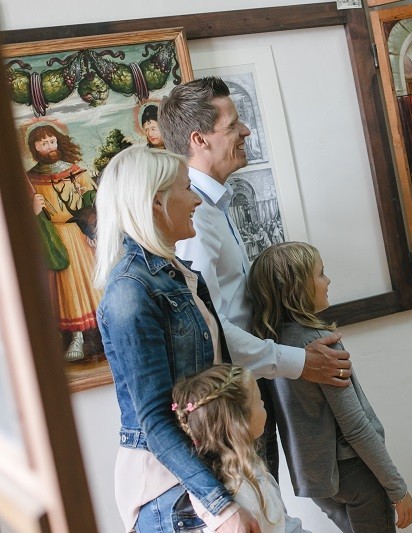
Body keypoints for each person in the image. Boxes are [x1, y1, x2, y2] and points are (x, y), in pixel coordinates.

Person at [159, 77, 352, 482]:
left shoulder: (216, 205)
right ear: (200, 139)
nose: (246, 131)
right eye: (233, 126)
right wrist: (300, 362)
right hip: (229, 405)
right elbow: (210, 325)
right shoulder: (194, 220)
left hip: (248, 388)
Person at [93, 146, 259, 532]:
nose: (197, 199)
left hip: (201, 477)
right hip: (173, 493)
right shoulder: (131, 291)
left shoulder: (175, 274)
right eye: (187, 189)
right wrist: (218, 504)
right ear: (156, 203)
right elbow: (154, 417)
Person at [248, 241, 412, 532]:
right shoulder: (321, 348)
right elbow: (355, 425)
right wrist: (397, 489)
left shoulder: (269, 348)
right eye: (321, 274)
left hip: (318, 484)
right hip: (354, 474)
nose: (328, 281)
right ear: (297, 288)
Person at [172, 364, 309, 533]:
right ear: (240, 424)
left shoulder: (250, 469)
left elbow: (285, 524)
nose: (263, 403)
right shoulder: (238, 492)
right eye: (258, 401)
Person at [27, 123, 102, 362]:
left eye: (52, 141)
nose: (49, 146)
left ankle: (102, 333)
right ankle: (77, 337)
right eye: (43, 143)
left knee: (94, 284)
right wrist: (35, 209)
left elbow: (93, 201)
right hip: (56, 239)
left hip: (81, 235)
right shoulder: (32, 178)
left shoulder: (76, 171)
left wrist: (94, 227)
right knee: (68, 289)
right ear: (35, 147)